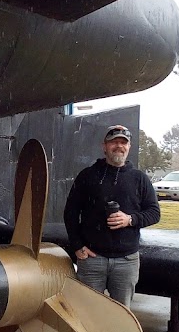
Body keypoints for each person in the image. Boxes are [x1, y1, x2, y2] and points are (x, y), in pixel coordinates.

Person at [63, 124, 160, 309]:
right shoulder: (88, 176)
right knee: (88, 314)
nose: (119, 146)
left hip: (127, 261)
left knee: (121, 316)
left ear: (129, 147)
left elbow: (154, 213)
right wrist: (77, 245)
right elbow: (71, 212)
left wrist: (130, 219)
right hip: (91, 260)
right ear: (104, 146)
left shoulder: (139, 179)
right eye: (113, 142)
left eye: (123, 142)